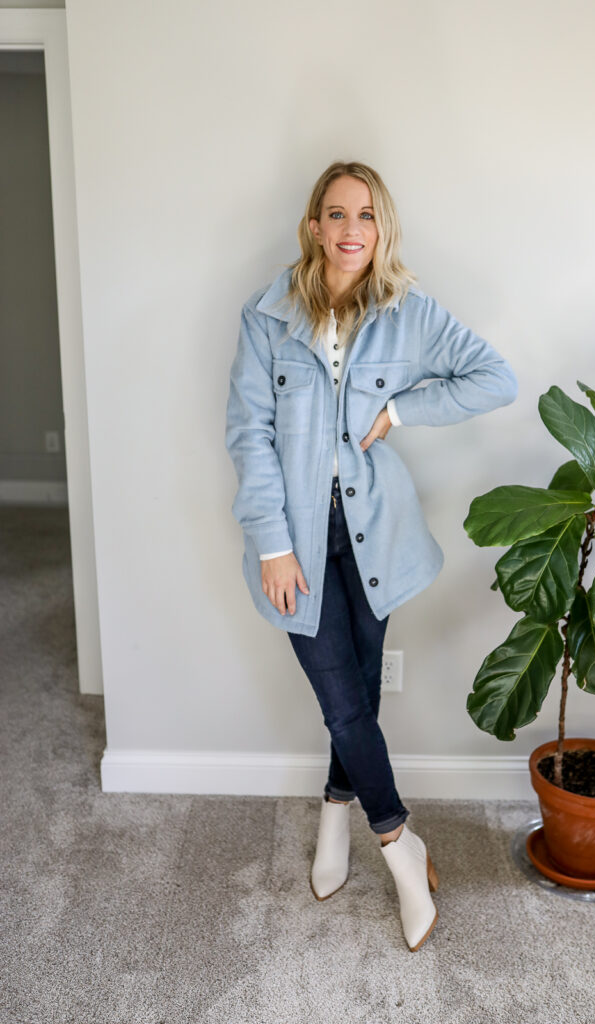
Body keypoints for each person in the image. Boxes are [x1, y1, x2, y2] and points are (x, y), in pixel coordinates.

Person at [225, 160, 517, 952]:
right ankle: (397, 844)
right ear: (313, 225)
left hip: (375, 532)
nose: (351, 228)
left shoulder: (407, 312)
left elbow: (496, 378)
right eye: (335, 213)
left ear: (381, 227)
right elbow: (248, 437)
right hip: (298, 537)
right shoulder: (266, 315)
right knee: (343, 700)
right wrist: (273, 545)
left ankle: (333, 821)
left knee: (355, 693)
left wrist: (399, 408)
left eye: (366, 214)